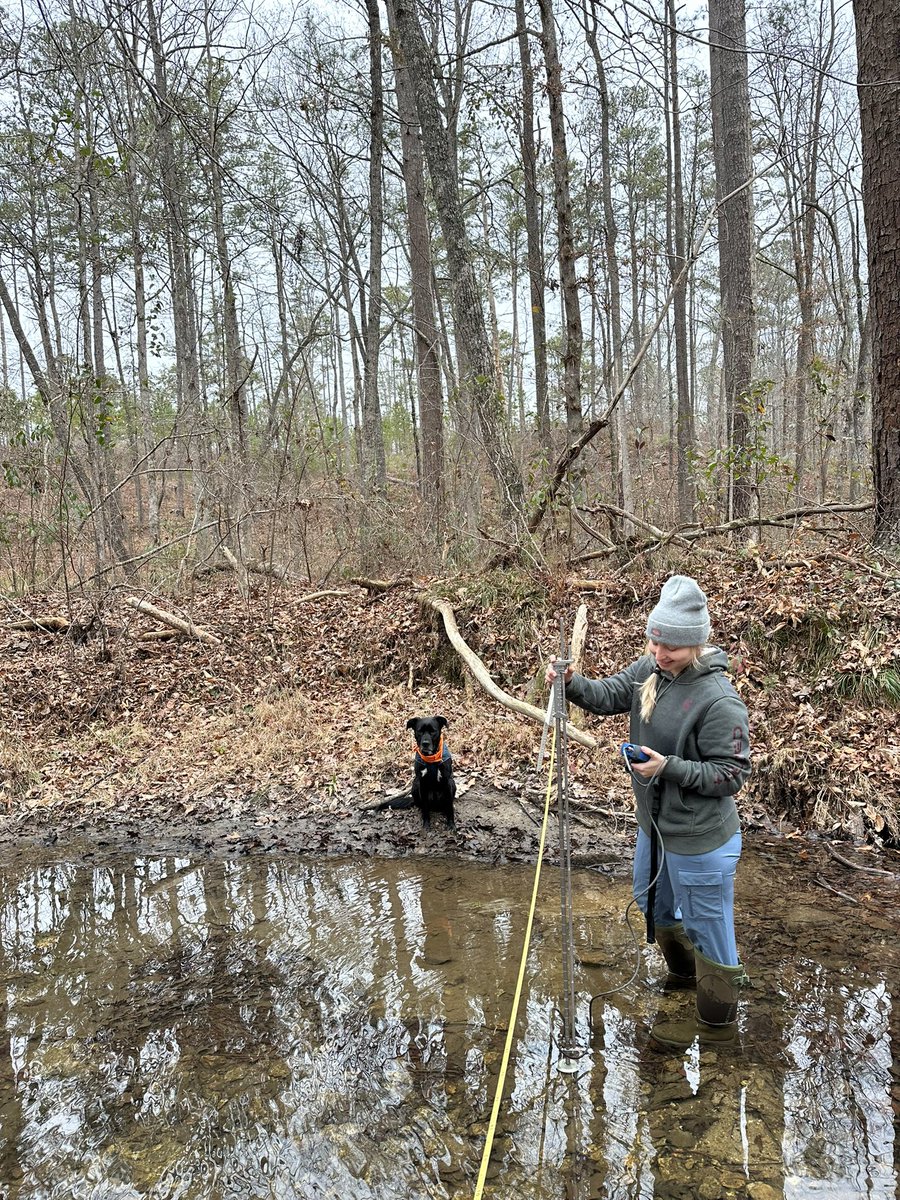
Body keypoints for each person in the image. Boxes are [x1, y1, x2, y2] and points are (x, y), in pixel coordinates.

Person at [545, 575, 751, 1048]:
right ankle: (681, 985)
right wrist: (573, 683)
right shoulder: (649, 670)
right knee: (654, 906)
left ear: (695, 644)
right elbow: (607, 696)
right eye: (655, 640)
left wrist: (668, 768)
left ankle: (720, 1039)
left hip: (702, 842)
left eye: (671, 647)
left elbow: (731, 776)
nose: (660, 652)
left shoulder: (719, 701)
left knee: (710, 935)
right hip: (654, 829)